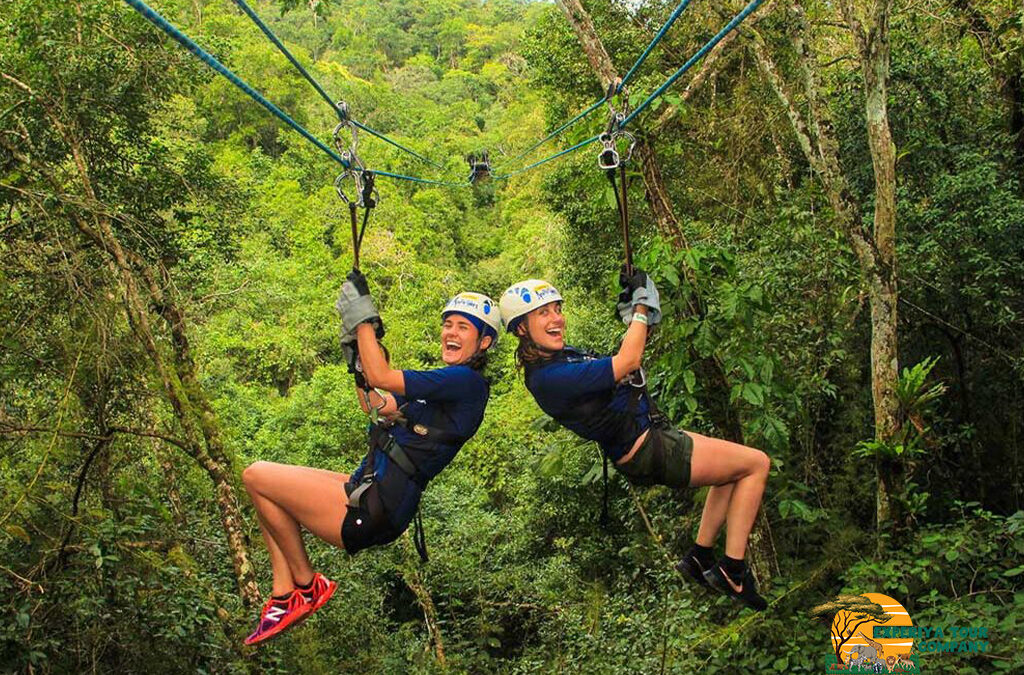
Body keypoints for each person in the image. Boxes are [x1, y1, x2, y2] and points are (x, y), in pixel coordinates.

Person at [241, 271, 499, 645]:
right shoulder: (442, 392)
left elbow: (384, 374)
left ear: (484, 342)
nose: (451, 333)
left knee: (256, 475)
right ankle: (284, 593)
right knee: (267, 491)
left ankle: (305, 584)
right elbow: (376, 404)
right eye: (448, 325)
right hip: (374, 492)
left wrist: (363, 320)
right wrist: (358, 364)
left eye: (463, 327)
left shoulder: (466, 384)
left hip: (377, 507)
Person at [500, 274, 771, 611]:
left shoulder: (559, 359)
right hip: (648, 447)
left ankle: (699, 557)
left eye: (557, 309)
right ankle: (733, 570)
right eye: (544, 313)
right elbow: (627, 362)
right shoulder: (549, 378)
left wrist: (633, 317)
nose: (557, 318)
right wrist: (641, 308)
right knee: (756, 464)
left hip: (649, 439)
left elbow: (618, 361)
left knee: (731, 472)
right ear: (522, 328)